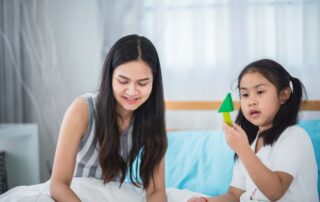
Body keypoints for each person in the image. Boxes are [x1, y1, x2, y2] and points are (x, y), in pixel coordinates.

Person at [50, 34, 168, 202]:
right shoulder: (82, 110)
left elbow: (156, 190)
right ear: (110, 77)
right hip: (73, 194)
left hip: (110, 195)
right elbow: (58, 185)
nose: (132, 91)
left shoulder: (152, 119)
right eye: (123, 81)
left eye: (142, 83)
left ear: (154, 82)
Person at [188, 59, 319, 202]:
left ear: (283, 95)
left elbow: (275, 192)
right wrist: (207, 201)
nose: (251, 101)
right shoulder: (249, 142)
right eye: (245, 95)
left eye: (260, 91)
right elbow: (234, 195)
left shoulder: (294, 137)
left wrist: (243, 150)